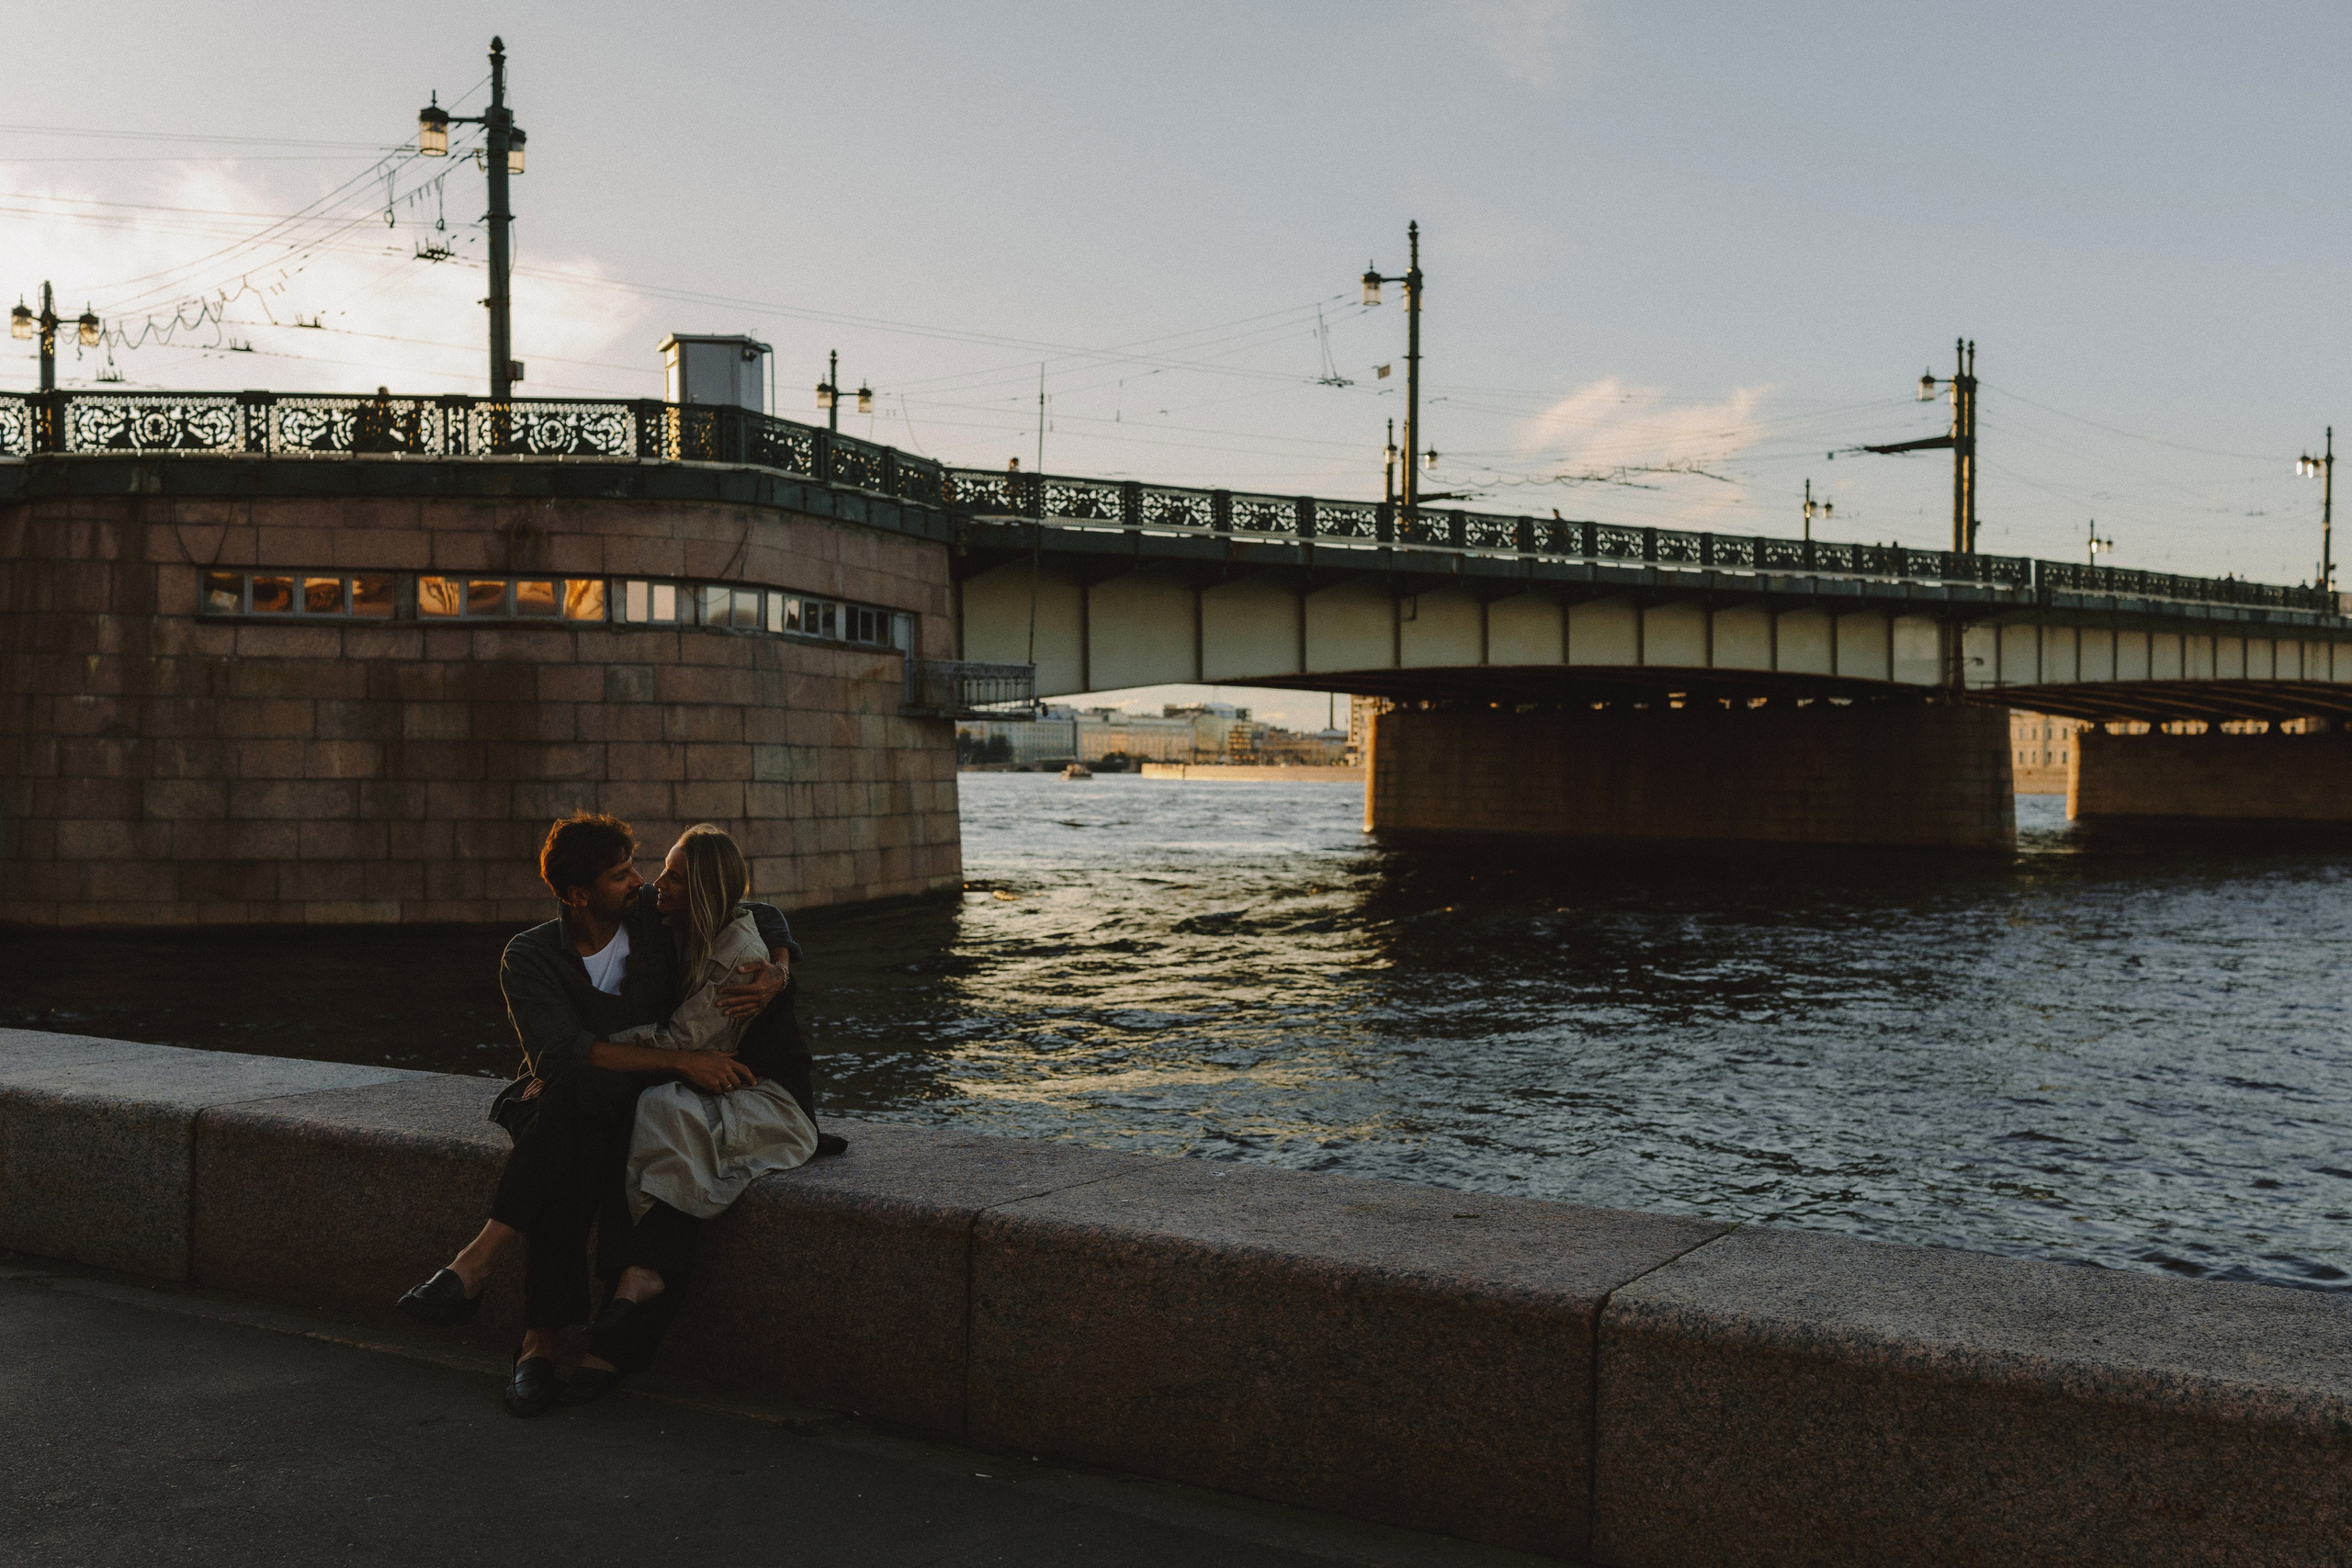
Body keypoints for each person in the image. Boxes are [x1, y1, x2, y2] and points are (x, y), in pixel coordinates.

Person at [394, 812, 821, 1416]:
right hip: (591, 1090)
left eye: (636, 869)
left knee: (574, 1122)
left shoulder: (649, 915)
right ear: (577, 894)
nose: (641, 881)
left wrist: (777, 968)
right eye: (622, 874)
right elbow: (561, 1053)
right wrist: (686, 1061)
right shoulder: (530, 955)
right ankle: (555, 1338)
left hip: (632, 1093)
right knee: (577, 1111)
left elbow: (752, 909)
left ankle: (502, 1298)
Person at [571, 824, 821, 1401]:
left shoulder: (741, 961)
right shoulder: (669, 920)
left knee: (659, 1121)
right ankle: (624, 1315)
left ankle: (623, 1317)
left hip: (766, 1097)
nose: (658, 883)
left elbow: (681, 1041)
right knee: (659, 1129)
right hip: (709, 1087)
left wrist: (588, 1048)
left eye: (676, 876)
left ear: (705, 889)